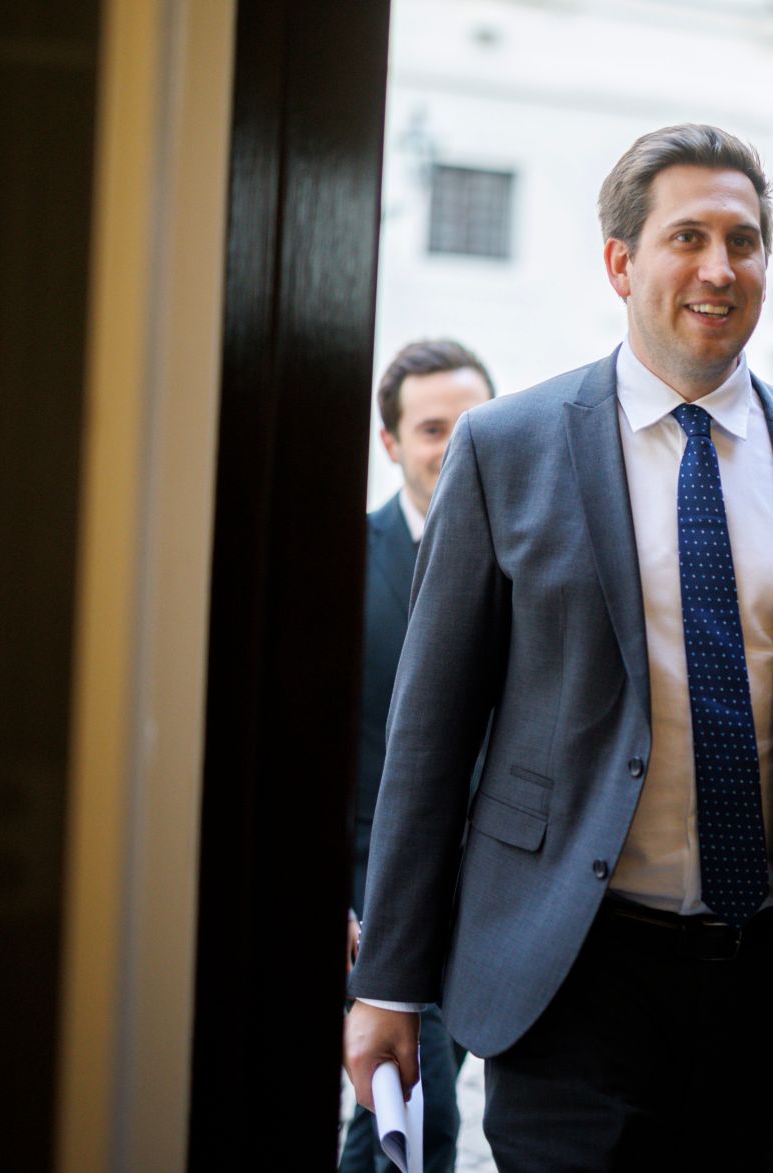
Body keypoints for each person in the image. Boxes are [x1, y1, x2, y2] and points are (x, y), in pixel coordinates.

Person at [342, 123, 773, 1171]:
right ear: (620, 263)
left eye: (742, 241)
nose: (718, 268)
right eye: (685, 236)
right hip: (570, 978)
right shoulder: (503, 450)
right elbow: (429, 738)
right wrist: (387, 987)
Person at [340, 339, 494, 1173]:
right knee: (419, 1113)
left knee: (387, 1120)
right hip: (381, 903)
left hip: (498, 906)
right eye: (433, 428)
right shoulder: (345, 564)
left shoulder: (531, 560)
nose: (456, 443)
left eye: (472, 423)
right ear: (392, 443)